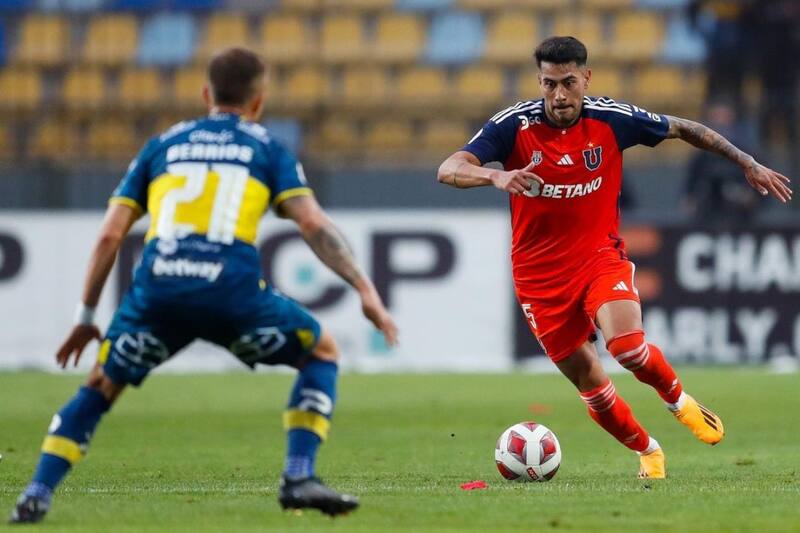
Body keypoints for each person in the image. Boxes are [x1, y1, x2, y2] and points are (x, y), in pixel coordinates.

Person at [10, 47, 398, 523]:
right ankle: (298, 475)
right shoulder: (266, 147)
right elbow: (313, 226)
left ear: (206, 94)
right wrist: (365, 289)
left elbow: (110, 234)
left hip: (159, 293)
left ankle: (36, 494)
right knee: (320, 351)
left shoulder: (162, 145)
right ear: (259, 100)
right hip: (230, 294)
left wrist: (86, 318)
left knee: (101, 384)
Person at [437, 36, 791, 479]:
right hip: (538, 278)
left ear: (586, 78)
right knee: (591, 383)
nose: (559, 95)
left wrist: (747, 162)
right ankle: (649, 452)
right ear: (539, 81)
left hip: (599, 258)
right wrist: (495, 174)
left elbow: (685, 129)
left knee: (626, 346)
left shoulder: (613, 118)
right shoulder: (513, 126)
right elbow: (448, 168)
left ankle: (679, 402)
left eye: (568, 82)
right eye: (549, 84)